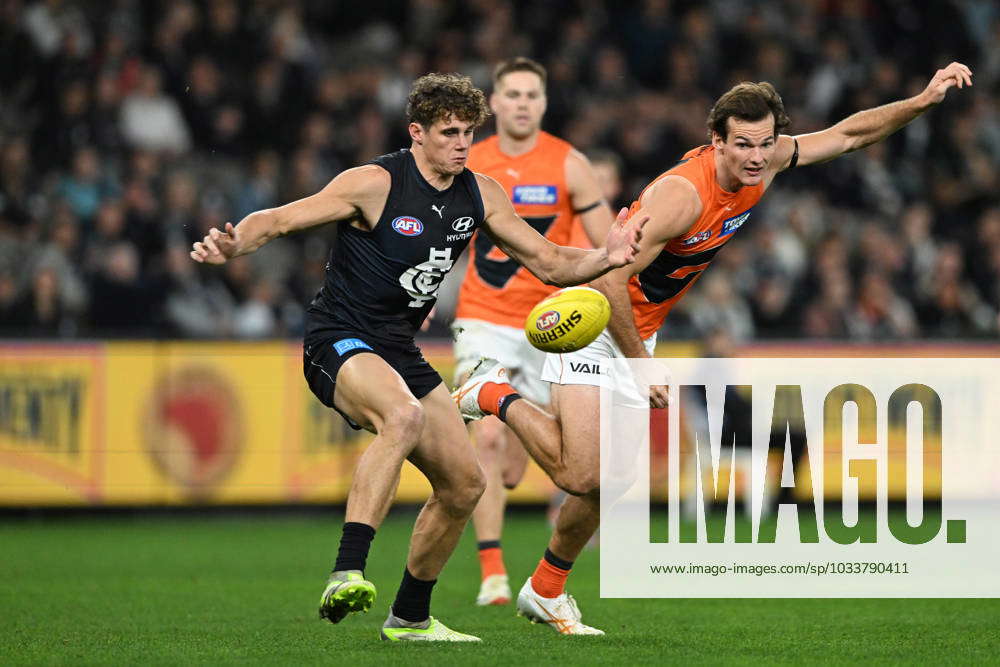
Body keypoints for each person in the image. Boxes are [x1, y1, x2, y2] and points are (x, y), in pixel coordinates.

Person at [453, 62, 973, 635]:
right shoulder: (680, 195)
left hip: (637, 329)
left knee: (618, 478)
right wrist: (640, 362)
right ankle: (492, 392)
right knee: (581, 476)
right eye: (742, 145)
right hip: (596, 317)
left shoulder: (768, 161)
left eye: (766, 143)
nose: (755, 157)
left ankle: (546, 589)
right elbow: (607, 278)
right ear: (716, 140)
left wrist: (922, 100)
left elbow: (849, 135)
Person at [190, 73, 644, 642]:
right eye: (449, 132)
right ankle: (346, 570)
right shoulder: (375, 183)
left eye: (468, 133)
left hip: (399, 347)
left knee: (464, 485)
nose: (461, 143)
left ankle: (409, 618)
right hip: (339, 337)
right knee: (402, 417)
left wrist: (609, 254)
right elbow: (280, 218)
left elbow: (551, 262)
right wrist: (236, 242)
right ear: (417, 133)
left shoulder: (480, 193)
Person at [452, 57, 614, 607]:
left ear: (544, 104)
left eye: (531, 95)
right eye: (512, 94)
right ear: (493, 104)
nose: (522, 103)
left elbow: (608, 246)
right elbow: (434, 231)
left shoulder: (569, 164)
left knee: (550, 458)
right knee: (488, 438)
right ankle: (493, 572)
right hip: (483, 317)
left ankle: (512, 427)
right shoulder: (468, 161)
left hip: (554, 325)